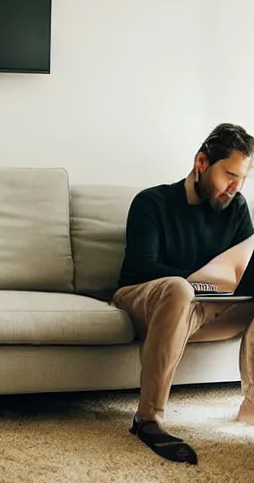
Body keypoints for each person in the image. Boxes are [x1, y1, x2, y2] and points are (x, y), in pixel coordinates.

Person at [113, 123, 254, 465]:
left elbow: (246, 267)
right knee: (178, 289)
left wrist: (218, 287)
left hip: (209, 308)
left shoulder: (236, 208)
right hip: (147, 299)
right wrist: (195, 282)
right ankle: (147, 419)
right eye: (229, 174)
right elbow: (141, 266)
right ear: (202, 163)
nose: (235, 187)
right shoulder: (151, 201)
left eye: (243, 179)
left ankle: (252, 408)